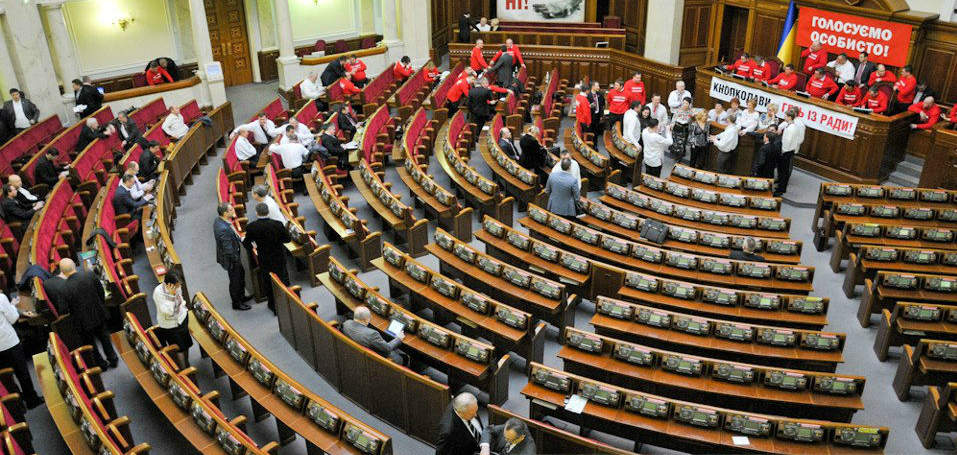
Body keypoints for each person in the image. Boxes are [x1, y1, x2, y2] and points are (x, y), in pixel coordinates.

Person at [63, 258, 117, 369]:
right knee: (104, 336)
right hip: (97, 312)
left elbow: (67, 307)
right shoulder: (90, 275)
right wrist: (99, 305)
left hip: (82, 321)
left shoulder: (64, 287)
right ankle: (113, 358)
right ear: (74, 265)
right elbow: (101, 292)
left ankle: (101, 364)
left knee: (90, 342)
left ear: (63, 272)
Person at [243, 203, 291, 314]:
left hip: (264, 258)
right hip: (279, 256)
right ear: (268, 212)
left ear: (256, 213)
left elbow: (246, 243)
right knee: (281, 279)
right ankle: (283, 303)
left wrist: (254, 248)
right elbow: (287, 239)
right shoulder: (277, 224)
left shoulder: (252, 227)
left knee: (268, 281)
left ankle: (272, 305)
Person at [0, 293, 43, 409]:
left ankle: (17, 405)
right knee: (22, 373)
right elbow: (13, 318)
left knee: (6, 378)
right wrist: (12, 306)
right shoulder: (1, 298)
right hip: (9, 342)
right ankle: (32, 400)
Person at [214, 203, 251, 311]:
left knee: (241, 275)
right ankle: (236, 303)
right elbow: (228, 249)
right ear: (225, 213)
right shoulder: (223, 229)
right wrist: (236, 259)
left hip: (233, 255)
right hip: (231, 259)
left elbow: (233, 235)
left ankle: (241, 296)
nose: (234, 211)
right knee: (235, 280)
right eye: (231, 210)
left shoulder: (219, 220)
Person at [151, 273, 191, 368]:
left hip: (182, 319)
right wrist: (171, 296)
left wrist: (183, 309)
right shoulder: (158, 292)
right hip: (170, 325)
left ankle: (187, 363)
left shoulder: (177, 287)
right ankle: (184, 370)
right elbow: (167, 311)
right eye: (177, 285)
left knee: (186, 344)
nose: (179, 287)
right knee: (179, 349)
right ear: (169, 284)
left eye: (180, 284)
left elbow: (181, 300)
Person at [778, 109, 805, 196]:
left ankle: (781, 189)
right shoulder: (790, 125)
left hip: (787, 151)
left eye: (785, 116)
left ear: (790, 117)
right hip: (787, 150)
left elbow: (788, 141)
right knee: (783, 170)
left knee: (784, 171)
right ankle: (781, 186)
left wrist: (783, 151)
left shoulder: (792, 128)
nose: (784, 117)